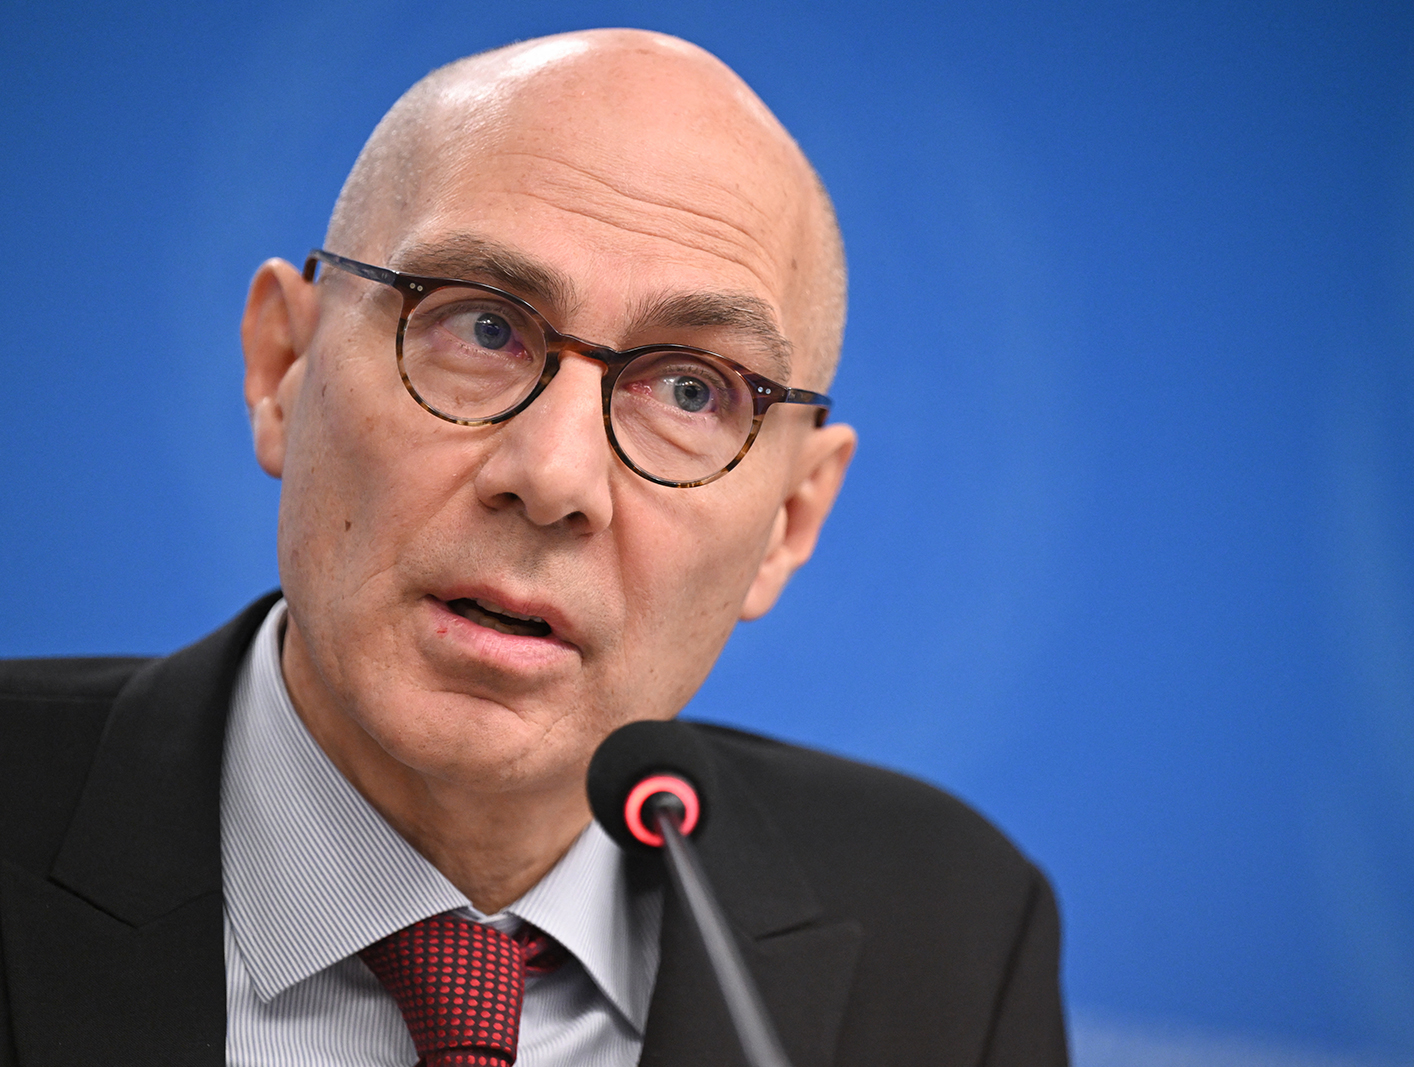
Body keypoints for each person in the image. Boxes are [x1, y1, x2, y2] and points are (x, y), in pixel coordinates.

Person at [0, 29, 1068, 1067]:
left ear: (790, 519)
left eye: (690, 390)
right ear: (284, 363)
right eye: (480, 326)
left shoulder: (944, 930)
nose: (552, 477)